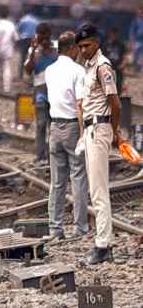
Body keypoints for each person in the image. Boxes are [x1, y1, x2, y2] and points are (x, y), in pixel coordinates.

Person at [76, 23, 122, 265]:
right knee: (96, 190)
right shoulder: (88, 67)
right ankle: (104, 244)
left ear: (97, 43)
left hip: (100, 128)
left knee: (98, 191)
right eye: (81, 46)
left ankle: (103, 246)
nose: (84, 50)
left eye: (87, 45)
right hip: (92, 130)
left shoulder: (103, 67)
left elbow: (115, 103)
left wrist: (115, 132)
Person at [44, 32, 90, 241]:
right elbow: (80, 104)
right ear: (71, 48)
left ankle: (55, 229)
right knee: (78, 178)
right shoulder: (78, 71)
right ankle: (80, 228)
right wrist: (83, 133)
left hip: (54, 127)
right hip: (72, 126)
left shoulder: (49, 70)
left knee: (57, 182)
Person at [23, 23, 59, 165]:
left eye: (46, 37)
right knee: (41, 124)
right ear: (37, 37)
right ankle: (40, 155)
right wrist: (33, 52)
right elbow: (27, 70)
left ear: (50, 36)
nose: (44, 41)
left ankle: (52, 155)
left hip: (56, 91)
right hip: (40, 91)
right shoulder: (33, 50)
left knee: (54, 125)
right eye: (41, 37)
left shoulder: (57, 48)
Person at [0, 9, 18, 93]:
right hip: (8, 49)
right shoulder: (11, 25)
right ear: (7, 15)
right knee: (7, 68)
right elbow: (16, 38)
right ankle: (6, 88)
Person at [17, 7, 40, 75]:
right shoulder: (37, 20)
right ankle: (32, 75)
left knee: (22, 57)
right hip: (33, 40)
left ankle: (20, 74)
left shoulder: (23, 19)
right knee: (32, 58)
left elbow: (19, 29)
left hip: (24, 39)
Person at [130, 6, 143, 72]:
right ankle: (135, 68)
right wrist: (132, 41)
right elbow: (132, 31)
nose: (141, 13)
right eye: (140, 12)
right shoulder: (135, 20)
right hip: (137, 41)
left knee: (141, 56)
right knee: (135, 55)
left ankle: (141, 69)